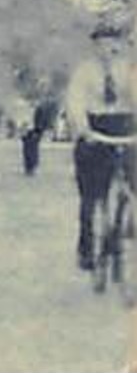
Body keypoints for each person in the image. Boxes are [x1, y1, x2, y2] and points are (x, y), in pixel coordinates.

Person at [64, 25, 135, 271]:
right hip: (94, 128)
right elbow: (75, 101)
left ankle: (126, 223)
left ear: (119, 45)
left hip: (123, 126)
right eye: (102, 44)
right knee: (90, 195)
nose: (108, 48)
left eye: (112, 43)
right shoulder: (84, 72)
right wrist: (83, 128)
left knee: (134, 179)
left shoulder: (128, 69)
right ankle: (86, 246)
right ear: (95, 46)